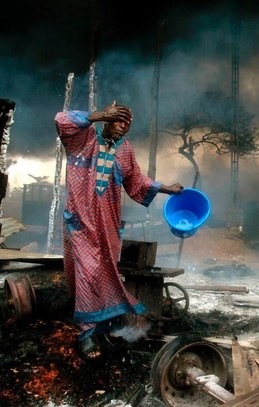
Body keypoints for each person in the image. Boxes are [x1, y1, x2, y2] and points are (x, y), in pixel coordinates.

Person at [54, 101, 184, 360]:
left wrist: (167, 189)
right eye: (118, 120)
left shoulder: (125, 150)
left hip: (108, 225)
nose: (123, 127)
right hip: (80, 221)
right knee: (88, 271)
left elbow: (136, 180)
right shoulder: (84, 138)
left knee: (105, 271)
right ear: (108, 120)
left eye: (127, 124)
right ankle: (87, 334)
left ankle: (105, 324)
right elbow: (61, 120)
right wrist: (100, 114)